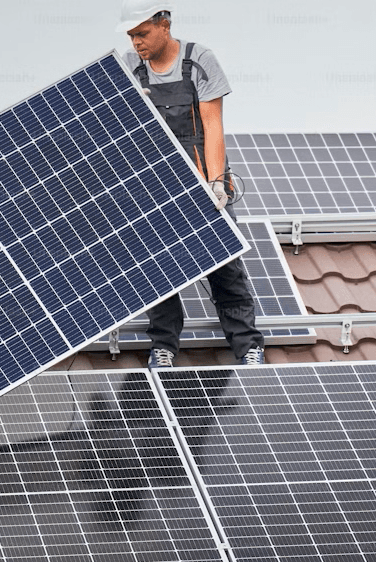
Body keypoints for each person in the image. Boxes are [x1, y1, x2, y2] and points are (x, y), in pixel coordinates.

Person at [118, 0, 266, 368]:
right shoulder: (129, 67)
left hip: (202, 179)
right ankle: (164, 346)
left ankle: (247, 345)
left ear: (164, 25)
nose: (136, 42)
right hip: (154, 185)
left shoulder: (199, 60)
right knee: (158, 265)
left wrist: (216, 182)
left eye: (143, 33)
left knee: (224, 263)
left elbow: (213, 125)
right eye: (131, 35)